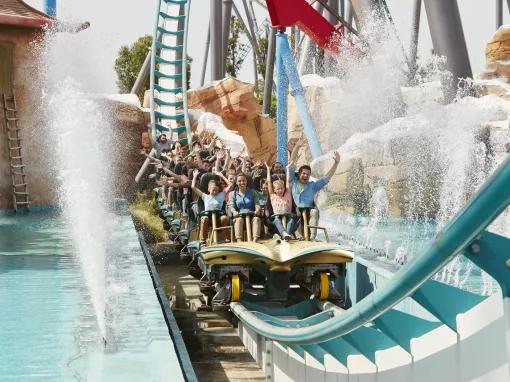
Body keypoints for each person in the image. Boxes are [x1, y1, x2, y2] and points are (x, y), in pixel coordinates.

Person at [289, 151, 341, 239]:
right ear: (299, 174)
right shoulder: (294, 181)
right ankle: (298, 235)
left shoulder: (313, 185)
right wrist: (297, 147)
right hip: (296, 211)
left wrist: (336, 163)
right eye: (303, 173)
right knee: (296, 212)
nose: (305, 176)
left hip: (309, 210)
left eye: (308, 174)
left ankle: (312, 236)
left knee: (315, 212)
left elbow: (327, 177)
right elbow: (291, 163)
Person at [191, 170, 228, 243]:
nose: (215, 192)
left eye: (216, 190)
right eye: (213, 190)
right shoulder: (205, 196)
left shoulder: (221, 195)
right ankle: (202, 241)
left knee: (224, 218)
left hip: (218, 218)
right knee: (205, 218)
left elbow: (230, 186)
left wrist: (222, 176)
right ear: (208, 189)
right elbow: (193, 187)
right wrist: (195, 176)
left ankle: (222, 238)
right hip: (208, 218)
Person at [265, 162, 295, 241]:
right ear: (274, 190)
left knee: (291, 220)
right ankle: (284, 233)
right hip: (277, 216)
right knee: (276, 221)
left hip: (287, 215)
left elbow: (288, 181)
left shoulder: (287, 194)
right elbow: (268, 181)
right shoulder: (273, 196)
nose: (280, 190)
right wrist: (268, 170)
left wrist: (287, 168)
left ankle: (287, 235)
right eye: (278, 189)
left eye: (281, 188)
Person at [229, 173, 262, 242]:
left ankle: (254, 241)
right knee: (239, 220)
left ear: (247, 181)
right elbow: (231, 206)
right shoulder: (232, 194)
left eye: (244, 180)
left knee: (256, 219)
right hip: (239, 215)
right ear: (236, 183)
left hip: (251, 215)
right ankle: (239, 242)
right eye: (239, 181)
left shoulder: (253, 192)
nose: (242, 183)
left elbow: (257, 203)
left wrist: (257, 209)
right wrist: (234, 212)